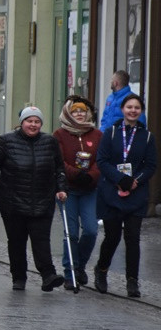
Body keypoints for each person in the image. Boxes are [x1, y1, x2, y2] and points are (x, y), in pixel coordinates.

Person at [0, 106, 68, 292]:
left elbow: (59, 169)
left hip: (42, 199)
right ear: (22, 123)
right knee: (17, 241)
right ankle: (19, 277)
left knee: (41, 239)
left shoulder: (50, 142)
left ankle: (48, 275)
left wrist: (61, 188)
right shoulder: (6, 141)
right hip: (12, 201)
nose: (33, 125)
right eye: (29, 121)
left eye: (37, 122)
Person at [93, 93, 156, 297]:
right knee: (112, 236)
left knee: (133, 238)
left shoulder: (146, 136)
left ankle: (132, 280)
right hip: (111, 191)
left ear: (141, 111)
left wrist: (136, 180)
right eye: (129, 107)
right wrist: (120, 179)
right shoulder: (110, 133)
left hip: (136, 193)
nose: (133, 111)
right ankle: (101, 270)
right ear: (122, 109)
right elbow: (102, 161)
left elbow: (151, 165)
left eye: (137, 108)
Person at [53, 96, 103, 289]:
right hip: (68, 190)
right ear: (68, 113)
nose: (79, 114)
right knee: (71, 233)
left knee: (91, 230)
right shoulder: (59, 134)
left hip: (89, 189)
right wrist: (75, 174)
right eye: (75, 111)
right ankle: (69, 272)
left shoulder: (97, 135)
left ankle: (79, 265)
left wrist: (91, 175)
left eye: (82, 111)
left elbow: (101, 159)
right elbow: (58, 161)